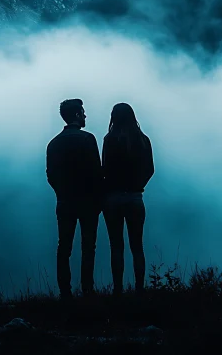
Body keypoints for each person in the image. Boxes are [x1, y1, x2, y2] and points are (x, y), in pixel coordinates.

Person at [46, 98, 103, 299]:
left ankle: (65, 292)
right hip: (88, 202)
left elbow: (50, 174)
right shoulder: (88, 139)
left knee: (64, 247)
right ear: (78, 114)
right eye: (83, 112)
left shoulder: (53, 143)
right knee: (88, 247)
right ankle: (87, 289)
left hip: (64, 202)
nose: (85, 115)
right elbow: (97, 172)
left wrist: (61, 193)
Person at [101, 103, 154, 295]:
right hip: (135, 198)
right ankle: (140, 289)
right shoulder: (142, 140)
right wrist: (137, 185)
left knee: (116, 246)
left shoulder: (109, 139)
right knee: (137, 245)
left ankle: (118, 290)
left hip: (113, 198)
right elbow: (150, 169)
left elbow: (104, 168)